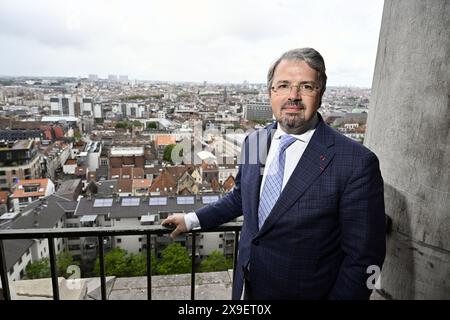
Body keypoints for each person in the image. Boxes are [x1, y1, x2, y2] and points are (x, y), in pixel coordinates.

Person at [162, 47, 386, 300]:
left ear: (320, 93)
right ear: (270, 93)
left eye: (306, 86)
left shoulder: (356, 162)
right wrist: (192, 219)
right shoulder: (255, 141)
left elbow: (365, 256)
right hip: (248, 287)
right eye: (283, 85)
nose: (293, 96)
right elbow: (240, 197)